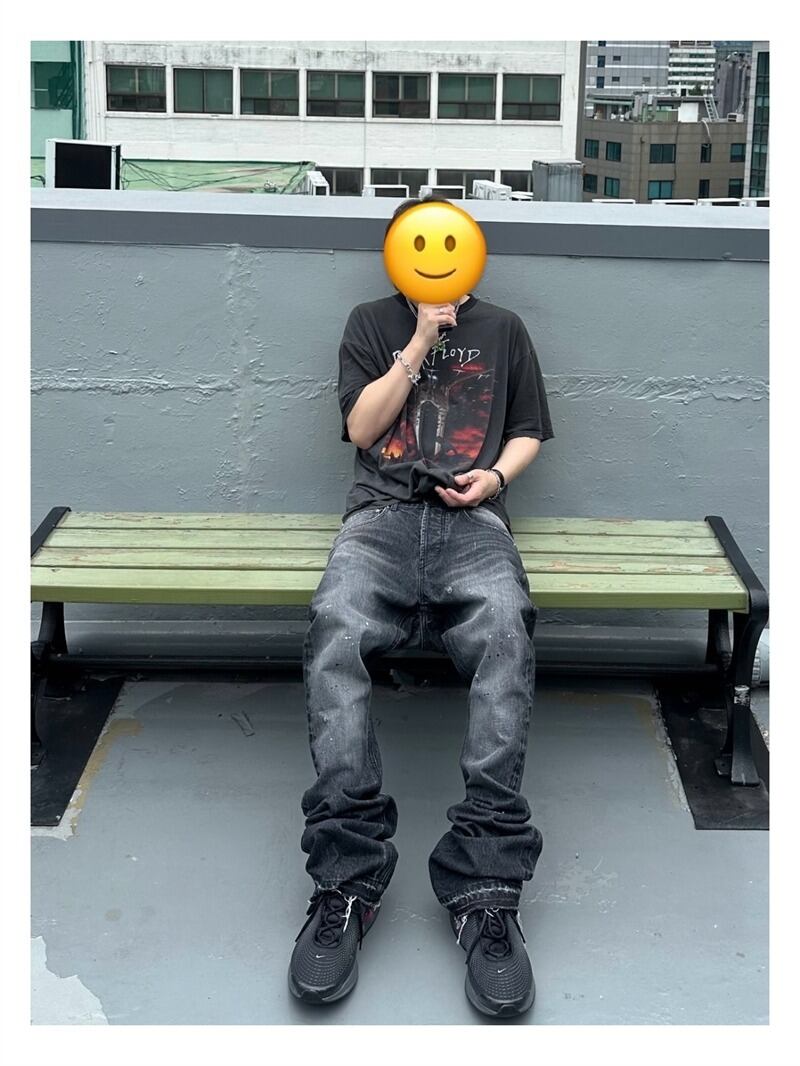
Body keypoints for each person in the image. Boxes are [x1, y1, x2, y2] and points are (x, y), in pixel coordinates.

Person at [288, 195, 555, 1018]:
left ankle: (485, 888)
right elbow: (363, 430)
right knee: (336, 630)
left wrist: (495, 478)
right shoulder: (371, 324)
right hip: (379, 519)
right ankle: (347, 878)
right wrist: (419, 340)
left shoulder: (505, 329)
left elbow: (528, 429)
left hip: (474, 523)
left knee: (506, 633)